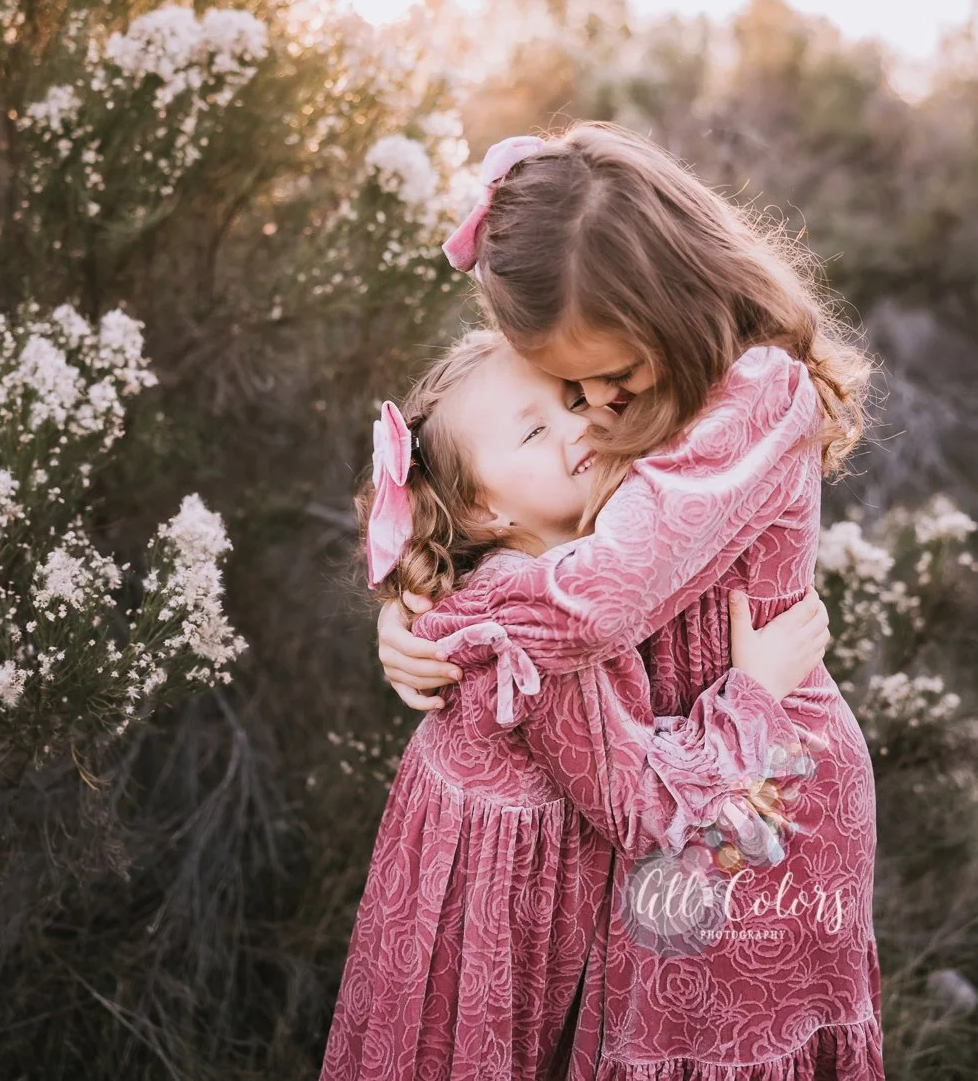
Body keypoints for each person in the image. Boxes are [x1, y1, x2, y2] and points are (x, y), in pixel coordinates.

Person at [376, 123, 883, 1079]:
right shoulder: (623, 380)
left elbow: (596, 602)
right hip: (658, 774)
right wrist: (409, 593)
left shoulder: (760, 397)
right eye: (572, 387)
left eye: (608, 377)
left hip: (768, 795)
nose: (597, 407)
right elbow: (478, 465)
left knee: (713, 1045)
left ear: (670, 297)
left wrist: (457, 621)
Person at [321, 328, 832, 1081]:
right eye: (534, 431)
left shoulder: (500, 579)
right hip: (515, 927)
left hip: (452, 903)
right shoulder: (551, 629)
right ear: (480, 510)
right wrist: (754, 692)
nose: (580, 425)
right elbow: (644, 810)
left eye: (569, 401)